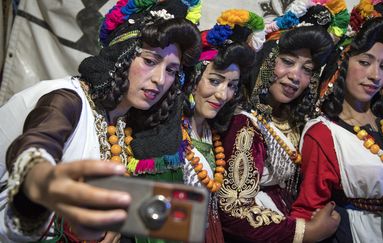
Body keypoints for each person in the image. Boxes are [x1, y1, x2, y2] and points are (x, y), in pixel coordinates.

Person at [0, 0, 201, 242]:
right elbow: (40, 142)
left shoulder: (127, 118)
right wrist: (38, 180)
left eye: (171, 70)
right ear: (121, 56)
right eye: (150, 61)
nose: (160, 79)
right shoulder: (66, 100)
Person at [290, 2, 383, 241]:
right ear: (343, 64)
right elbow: (308, 209)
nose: (375, 75)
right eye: (365, 62)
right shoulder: (325, 134)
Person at [217, 1, 349, 241]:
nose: (296, 76)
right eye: (287, 62)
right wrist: (306, 233)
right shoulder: (245, 124)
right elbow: (234, 210)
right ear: (267, 60)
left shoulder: (292, 120)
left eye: (307, 69)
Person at [181, 9, 261, 242]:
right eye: (215, 81)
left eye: (232, 85)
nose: (223, 94)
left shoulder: (212, 132)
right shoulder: (169, 132)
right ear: (193, 78)